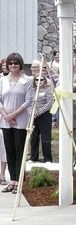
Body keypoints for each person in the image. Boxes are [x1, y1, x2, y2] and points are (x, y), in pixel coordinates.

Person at [0, 53, 33, 194]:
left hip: (20, 120)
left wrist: (13, 115)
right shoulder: (2, 80)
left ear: (20, 64)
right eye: (11, 63)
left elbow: (28, 101)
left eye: (16, 63)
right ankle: (12, 180)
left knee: (20, 151)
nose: (13, 65)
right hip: (5, 121)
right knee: (9, 151)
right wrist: (6, 115)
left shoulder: (27, 80)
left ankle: (19, 181)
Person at [27, 73, 54, 163]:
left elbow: (49, 104)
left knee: (45, 137)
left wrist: (38, 112)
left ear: (45, 81)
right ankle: (33, 157)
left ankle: (47, 158)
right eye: (37, 79)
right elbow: (28, 103)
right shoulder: (32, 91)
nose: (39, 81)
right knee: (34, 137)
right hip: (33, 116)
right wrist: (31, 112)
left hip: (45, 116)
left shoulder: (48, 90)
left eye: (41, 79)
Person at [0, 58, 8, 185]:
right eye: (4, 65)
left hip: (7, 116)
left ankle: (2, 175)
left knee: (4, 148)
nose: (6, 67)